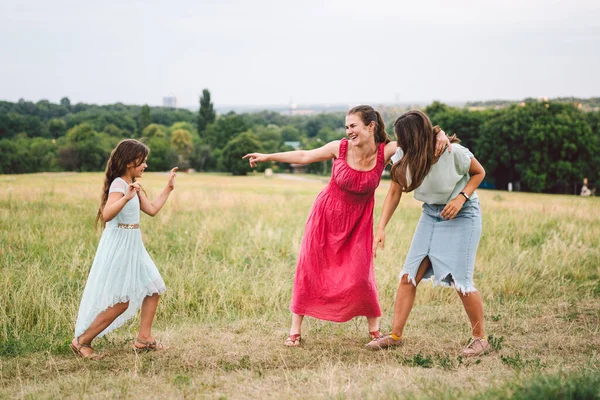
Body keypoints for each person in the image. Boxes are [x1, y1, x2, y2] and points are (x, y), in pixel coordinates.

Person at [243, 105, 450, 347]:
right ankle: (295, 330)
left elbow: (419, 135)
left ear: (370, 126)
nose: (349, 131)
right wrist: (268, 156)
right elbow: (304, 156)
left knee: (361, 274)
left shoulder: (387, 151)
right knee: (310, 269)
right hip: (325, 216)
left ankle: (374, 328)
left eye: (353, 126)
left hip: (359, 222)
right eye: (346, 127)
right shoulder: (339, 148)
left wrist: (440, 134)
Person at [365, 110, 489, 356]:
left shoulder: (454, 153)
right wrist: (380, 228)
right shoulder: (403, 157)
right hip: (431, 214)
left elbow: (479, 173)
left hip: (462, 214)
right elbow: (394, 192)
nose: (400, 144)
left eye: (403, 139)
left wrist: (461, 198)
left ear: (416, 138)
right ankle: (395, 336)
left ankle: (480, 339)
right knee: (408, 275)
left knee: (461, 281)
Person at [71, 139, 178, 358]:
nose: (145, 165)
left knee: (154, 288)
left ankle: (143, 339)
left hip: (134, 243)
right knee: (121, 302)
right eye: (143, 161)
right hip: (120, 244)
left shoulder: (133, 185)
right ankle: (81, 342)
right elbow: (107, 214)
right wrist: (127, 197)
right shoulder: (120, 184)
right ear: (130, 161)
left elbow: (152, 209)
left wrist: (168, 188)